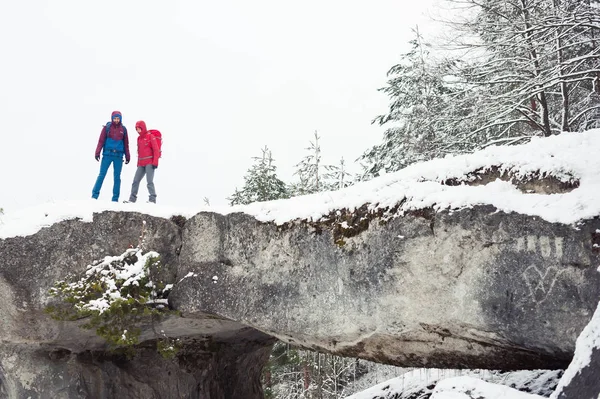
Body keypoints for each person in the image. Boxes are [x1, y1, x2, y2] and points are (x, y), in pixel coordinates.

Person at [92, 111, 131, 201]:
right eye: (115, 118)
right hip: (107, 155)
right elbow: (101, 141)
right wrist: (97, 152)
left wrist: (127, 156)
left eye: (118, 118)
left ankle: (115, 199)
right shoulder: (107, 128)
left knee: (117, 177)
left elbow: (126, 144)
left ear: (120, 119)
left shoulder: (123, 130)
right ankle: (94, 196)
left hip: (118, 156)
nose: (116, 120)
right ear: (112, 118)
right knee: (101, 175)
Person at [127, 120, 159, 203]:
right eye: (136, 129)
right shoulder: (139, 138)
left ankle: (152, 199)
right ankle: (132, 199)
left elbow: (156, 150)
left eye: (139, 128)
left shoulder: (150, 136)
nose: (138, 130)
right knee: (135, 181)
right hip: (141, 163)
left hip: (150, 163)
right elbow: (139, 151)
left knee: (149, 181)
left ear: (143, 128)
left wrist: (155, 162)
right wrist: (138, 164)